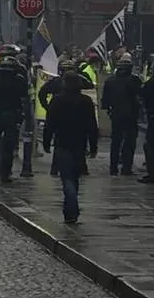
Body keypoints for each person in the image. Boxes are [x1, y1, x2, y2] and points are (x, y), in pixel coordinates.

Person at [43, 73, 98, 224]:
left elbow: (50, 123)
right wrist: (93, 146)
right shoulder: (86, 101)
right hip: (79, 144)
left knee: (66, 177)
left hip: (62, 143)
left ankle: (71, 206)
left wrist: (46, 142)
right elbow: (92, 125)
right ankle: (71, 209)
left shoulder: (57, 100)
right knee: (75, 176)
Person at [101, 53, 141, 176]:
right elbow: (140, 95)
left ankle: (113, 168)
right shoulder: (134, 80)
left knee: (116, 142)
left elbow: (105, 100)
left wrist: (109, 109)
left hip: (116, 114)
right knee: (129, 142)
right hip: (131, 115)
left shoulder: (110, 81)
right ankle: (126, 168)